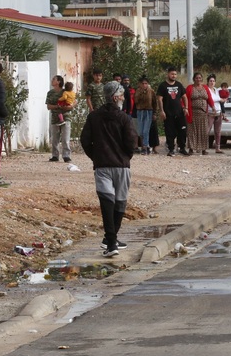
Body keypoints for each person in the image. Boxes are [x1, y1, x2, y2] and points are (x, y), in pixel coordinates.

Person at [80, 80, 138, 257]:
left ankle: (111, 241)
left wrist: (95, 157)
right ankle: (112, 240)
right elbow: (131, 142)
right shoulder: (124, 118)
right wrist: (126, 156)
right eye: (121, 95)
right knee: (119, 202)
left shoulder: (94, 117)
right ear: (115, 97)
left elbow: (85, 141)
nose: (123, 98)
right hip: (121, 167)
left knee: (106, 202)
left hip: (102, 166)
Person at [157, 67, 189, 156]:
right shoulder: (163, 86)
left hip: (179, 112)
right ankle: (171, 149)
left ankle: (182, 148)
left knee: (183, 130)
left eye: (175, 74)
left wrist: (186, 108)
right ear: (168, 74)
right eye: (172, 74)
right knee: (170, 132)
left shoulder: (179, 85)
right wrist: (161, 111)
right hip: (168, 113)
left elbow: (184, 97)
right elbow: (159, 99)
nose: (173, 76)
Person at [45, 75, 73, 163]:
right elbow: (48, 106)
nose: (52, 80)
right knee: (54, 139)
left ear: (59, 82)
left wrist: (69, 107)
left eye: (54, 79)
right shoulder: (50, 93)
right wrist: (57, 106)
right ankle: (55, 155)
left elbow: (73, 101)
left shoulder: (66, 92)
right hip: (55, 118)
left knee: (65, 138)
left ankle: (66, 155)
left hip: (66, 117)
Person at [186, 72, 214, 155]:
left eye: (200, 78)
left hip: (203, 114)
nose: (198, 79)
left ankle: (203, 149)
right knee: (192, 131)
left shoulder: (205, 87)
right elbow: (185, 99)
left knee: (203, 131)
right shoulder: (190, 88)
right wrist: (185, 108)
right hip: (193, 113)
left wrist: (213, 107)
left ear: (202, 79)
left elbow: (209, 98)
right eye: (197, 78)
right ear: (194, 79)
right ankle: (191, 148)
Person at [134, 76, 158, 154]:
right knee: (140, 131)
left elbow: (155, 103)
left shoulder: (151, 91)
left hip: (148, 111)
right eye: (143, 83)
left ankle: (144, 147)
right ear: (140, 84)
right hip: (140, 111)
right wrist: (141, 93)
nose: (144, 85)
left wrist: (154, 113)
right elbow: (136, 101)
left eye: (146, 83)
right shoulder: (137, 91)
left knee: (145, 131)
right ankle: (146, 145)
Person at [205, 74, 225, 153]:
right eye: (210, 81)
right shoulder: (207, 89)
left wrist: (223, 112)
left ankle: (217, 147)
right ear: (208, 82)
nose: (212, 82)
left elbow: (220, 101)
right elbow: (211, 99)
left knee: (218, 131)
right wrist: (220, 99)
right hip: (210, 112)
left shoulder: (216, 90)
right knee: (207, 130)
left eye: (213, 81)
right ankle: (203, 146)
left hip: (218, 112)